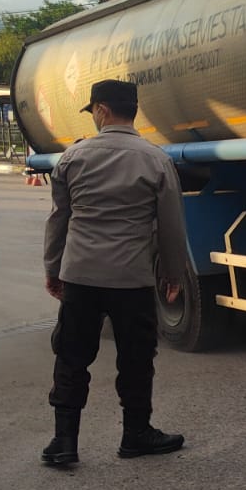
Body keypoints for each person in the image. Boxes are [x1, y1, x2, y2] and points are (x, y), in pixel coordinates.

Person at [41, 78, 189, 467]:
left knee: (71, 356)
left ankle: (64, 441)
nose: (93, 117)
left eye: (93, 111)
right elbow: (171, 226)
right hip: (132, 279)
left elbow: (58, 220)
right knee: (136, 358)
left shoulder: (73, 158)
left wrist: (53, 268)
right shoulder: (156, 159)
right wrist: (173, 274)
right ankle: (135, 434)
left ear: (102, 110)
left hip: (80, 276)